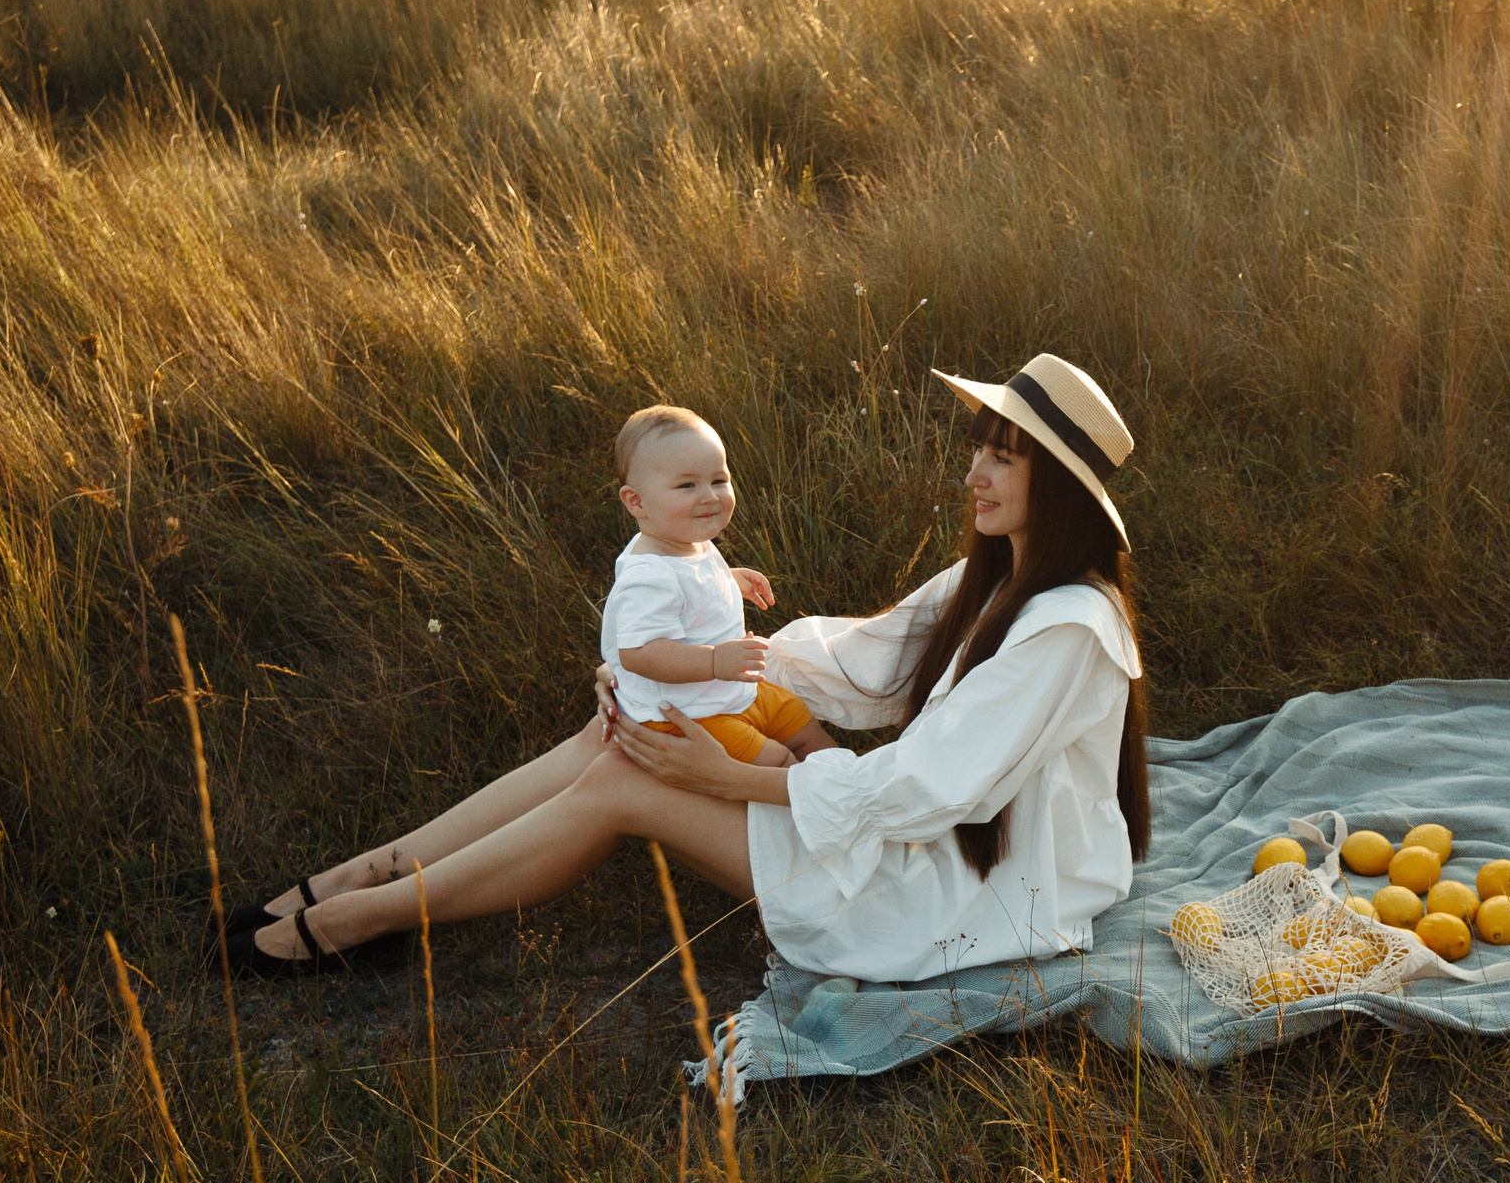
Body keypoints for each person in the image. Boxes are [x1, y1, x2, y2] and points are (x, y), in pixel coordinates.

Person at [222, 352, 1149, 985]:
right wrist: (672, 682)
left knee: (624, 779)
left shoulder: (1067, 624)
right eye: (981, 451)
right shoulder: (1000, 576)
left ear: (1057, 485)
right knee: (618, 726)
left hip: (962, 891)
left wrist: (730, 775)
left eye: (1002, 459)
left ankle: (363, 919)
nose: (974, 477)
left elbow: (934, 784)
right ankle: (367, 872)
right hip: (915, 838)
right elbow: (862, 662)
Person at [600, 403, 833, 768]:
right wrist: (713, 661)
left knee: (804, 725)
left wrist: (728, 579)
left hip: (730, 692)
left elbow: (691, 584)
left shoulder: (686, 542)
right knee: (779, 762)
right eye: (687, 485)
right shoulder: (648, 576)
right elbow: (639, 651)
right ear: (637, 502)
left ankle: (852, 786)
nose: (709, 495)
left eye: (719, 480)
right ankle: (816, 813)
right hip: (689, 716)